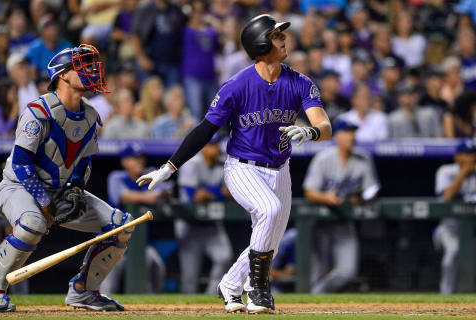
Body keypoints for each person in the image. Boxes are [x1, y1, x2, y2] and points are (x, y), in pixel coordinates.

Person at [137, 14, 331, 313]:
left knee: (269, 240)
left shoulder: (300, 82)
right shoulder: (237, 85)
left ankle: (229, 285)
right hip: (243, 167)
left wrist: (311, 131)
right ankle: (258, 289)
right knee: (269, 210)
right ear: (260, 43)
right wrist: (169, 167)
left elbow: (324, 125)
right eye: (276, 34)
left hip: (281, 170)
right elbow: (204, 130)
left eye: (281, 34)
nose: (283, 38)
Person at [0, 44, 134, 312]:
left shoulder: (91, 115)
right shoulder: (38, 110)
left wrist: (78, 187)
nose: (92, 71)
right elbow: (23, 164)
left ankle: (84, 291)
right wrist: (45, 203)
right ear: (63, 75)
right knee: (32, 225)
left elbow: (84, 161)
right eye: (82, 66)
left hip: (59, 191)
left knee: (121, 225)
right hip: (17, 187)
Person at [303, 119, 380, 294]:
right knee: (316, 272)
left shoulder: (363, 159)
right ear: (336, 136)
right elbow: (309, 192)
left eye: (353, 132)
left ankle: (317, 296)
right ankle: (312, 303)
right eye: (347, 132)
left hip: (344, 223)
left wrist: (361, 197)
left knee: (347, 271)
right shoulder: (323, 158)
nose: (351, 136)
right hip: (321, 223)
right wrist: (326, 198)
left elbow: (372, 191)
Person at [102, 145, 171, 294]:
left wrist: (160, 194)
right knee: (107, 284)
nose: (139, 161)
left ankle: (149, 307)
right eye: (134, 158)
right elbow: (123, 196)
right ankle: (100, 303)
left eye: (140, 158)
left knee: (157, 267)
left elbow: (164, 192)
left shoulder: (149, 175)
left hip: (141, 243)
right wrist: (148, 197)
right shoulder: (116, 176)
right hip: (114, 241)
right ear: (124, 162)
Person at [176, 136, 233, 294]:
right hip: (190, 225)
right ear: (203, 148)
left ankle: (211, 295)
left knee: (224, 257)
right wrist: (217, 193)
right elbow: (194, 195)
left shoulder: (223, 163)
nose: (217, 148)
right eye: (212, 145)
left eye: (216, 144)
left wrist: (209, 193)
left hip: (212, 225)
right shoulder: (192, 163)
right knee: (190, 276)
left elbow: (230, 192)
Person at [434, 139, 476, 294]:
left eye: (473, 154)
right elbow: (447, 196)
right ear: (457, 157)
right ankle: (446, 296)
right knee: (453, 251)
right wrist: (463, 173)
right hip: (448, 231)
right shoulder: (445, 171)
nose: (471, 158)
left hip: (472, 232)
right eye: (467, 154)